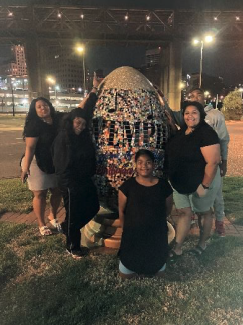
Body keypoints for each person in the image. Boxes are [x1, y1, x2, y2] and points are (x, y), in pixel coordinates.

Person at [166, 101, 221, 257]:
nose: (190, 116)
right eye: (187, 113)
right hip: (180, 182)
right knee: (184, 212)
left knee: (204, 213)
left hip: (201, 182)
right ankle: (177, 247)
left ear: (201, 114)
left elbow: (213, 161)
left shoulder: (207, 133)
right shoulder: (182, 131)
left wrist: (204, 185)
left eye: (194, 112)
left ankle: (202, 243)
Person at [52, 84, 100, 259]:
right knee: (73, 213)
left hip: (84, 180)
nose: (80, 125)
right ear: (70, 121)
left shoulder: (82, 137)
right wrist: (69, 186)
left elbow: (84, 110)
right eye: (77, 122)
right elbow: (61, 165)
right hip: (70, 183)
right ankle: (72, 246)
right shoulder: (64, 138)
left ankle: (67, 228)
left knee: (94, 206)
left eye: (83, 123)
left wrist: (94, 92)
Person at [118, 149, 173, 279]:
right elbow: (121, 210)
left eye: (148, 162)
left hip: (156, 236)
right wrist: (125, 230)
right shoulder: (127, 186)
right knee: (126, 275)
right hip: (133, 236)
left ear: (154, 164)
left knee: (159, 274)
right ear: (135, 164)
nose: (144, 166)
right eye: (140, 162)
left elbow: (168, 209)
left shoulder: (164, 186)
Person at [189, 88, 230, 237]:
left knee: (217, 194)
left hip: (212, 163)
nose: (195, 98)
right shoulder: (189, 115)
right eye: (192, 96)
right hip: (194, 164)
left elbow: (224, 139)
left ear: (203, 97)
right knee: (194, 191)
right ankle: (193, 219)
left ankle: (219, 222)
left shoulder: (215, 115)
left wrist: (224, 161)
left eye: (198, 95)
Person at [21, 97, 63, 236]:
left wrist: (93, 91)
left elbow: (77, 111)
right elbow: (30, 148)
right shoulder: (34, 125)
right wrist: (25, 168)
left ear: (50, 106)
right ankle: (41, 224)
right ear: (34, 110)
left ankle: (52, 215)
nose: (43, 108)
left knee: (57, 191)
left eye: (45, 105)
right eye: (39, 107)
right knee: (40, 194)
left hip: (54, 162)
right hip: (36, 162)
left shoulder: (57, 120)